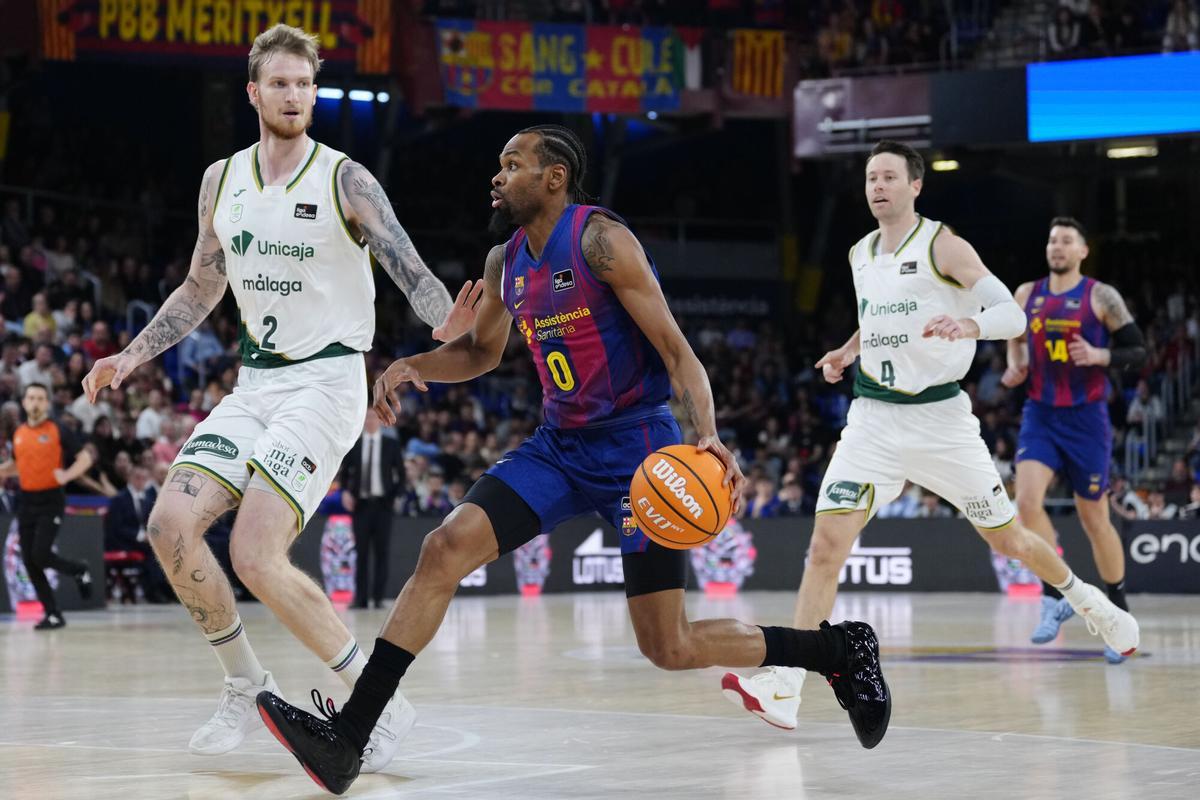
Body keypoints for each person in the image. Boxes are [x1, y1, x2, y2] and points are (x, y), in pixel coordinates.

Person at [255, 125, 892, 794]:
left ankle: (835, 650)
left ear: (553, 177)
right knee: (443, 550)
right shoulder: (506, 262)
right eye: (498, 164)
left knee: (667, 645)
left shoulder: (601, 241)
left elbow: (678, 352)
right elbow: (480, 353)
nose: (497, 176)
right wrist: (412, 364)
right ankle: (351, 736)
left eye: (513, 164)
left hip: (638, 451)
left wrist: (706, 433)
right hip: (558, 448)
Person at [80, 24, 479, 772]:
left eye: (307, 84)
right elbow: (202, 287)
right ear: (255, 93)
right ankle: (244, 684)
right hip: (256, 381)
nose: (296, 95)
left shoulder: (345, 178)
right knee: (169, 526)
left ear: (313, 91)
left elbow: (407, 262)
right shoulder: (221, 180)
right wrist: (131, 355)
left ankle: (374, 702)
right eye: (283, 84)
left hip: (327, 381)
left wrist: (442, 322)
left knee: (255, 553)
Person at [720, 140, 1139, 733]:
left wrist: (970, 321)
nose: (878, 186)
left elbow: (1011, 314)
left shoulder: (943, 243)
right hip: (873, 420)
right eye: (870, 177)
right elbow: (878, 319)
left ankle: (1085, 598)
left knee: (1010, 542)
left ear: (916, 185)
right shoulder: (860, 251)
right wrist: (846, 350)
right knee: (824, 547)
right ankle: (787, 684)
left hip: (942, 423)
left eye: (890, 176)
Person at [1002, 216, 1146, 663]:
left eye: (1066, 240)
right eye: (1051, 240)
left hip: (1087, 419)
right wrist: (1016, 362)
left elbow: (1138, 350)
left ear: (1083, 250)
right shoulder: (1026, 293)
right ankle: (1055, 593)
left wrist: (1101, 354)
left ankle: (1116, 612)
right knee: (1026, 503)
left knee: (1094, 519)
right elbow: (1014, 333)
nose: (1056, 246)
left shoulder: (1101, 296)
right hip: (1040, 414)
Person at [0, 383, 94, 628]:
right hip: (26, 500)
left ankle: (78, 569)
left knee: (40, 554)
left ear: (47, 403)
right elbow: (18, 466)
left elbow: (85, 458)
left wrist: (67, 475)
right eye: (31, 398)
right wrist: (2, 470)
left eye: (40, 398)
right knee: (31, 562)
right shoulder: (18, 433)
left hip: (51, 500)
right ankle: (53, 613)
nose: (35, 402)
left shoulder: (57, 430)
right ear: (24, 402)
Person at [341, 409, 404, 609]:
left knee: (381, 552)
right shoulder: (355, 444)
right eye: (366, 417)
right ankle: (360, 598)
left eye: (374, 417)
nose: (370, 420)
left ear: (381, 420)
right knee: (361, 553)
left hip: (383, 506)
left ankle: (377, 598)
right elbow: (344, 472)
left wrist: (394, 496)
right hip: (361, 506)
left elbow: (401, 475)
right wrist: (345, 492)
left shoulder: (390, 445)